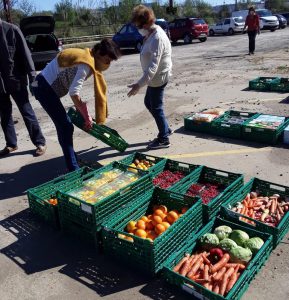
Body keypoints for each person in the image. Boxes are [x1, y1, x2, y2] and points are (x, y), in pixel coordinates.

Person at [31, 39, 121, 171]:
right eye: (108, 60)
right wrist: (86, 115)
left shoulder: (88, 56)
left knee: (64, 126)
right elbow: (74, 92)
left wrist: (83, 112)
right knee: (66, 127)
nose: (108, 64)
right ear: (99, 53)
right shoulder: (85, 64)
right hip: (44, 88)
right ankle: (73, 168)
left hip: (44, 85)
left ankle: (72, 158)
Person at [127, 5, 173, 150]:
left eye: (138, 25)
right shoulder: (151, 33)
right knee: (149, 103)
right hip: (154, 77)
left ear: (146, 23)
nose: (137, 28)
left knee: (156, 107)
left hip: (158, 77)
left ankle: (163, 139)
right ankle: (165, 128)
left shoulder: (157, 37)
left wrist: (138, 85)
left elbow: (153, 67)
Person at [0, 19, 46, 157]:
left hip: (16, 79)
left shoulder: (12, 30)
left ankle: (40, 142)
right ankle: (11, 144)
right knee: (4, 114)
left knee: (26, 111)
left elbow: (26, 54)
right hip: (0, 84)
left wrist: (33, 77)